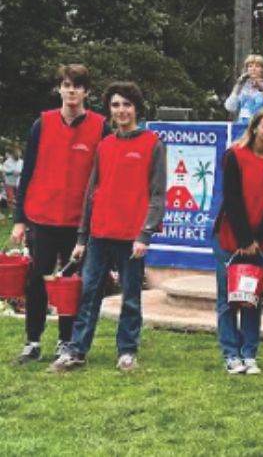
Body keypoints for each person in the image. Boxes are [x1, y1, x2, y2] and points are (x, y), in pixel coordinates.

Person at [50, 82, 165, 372]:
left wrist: (145, 234)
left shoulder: (153, 143)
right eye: (115, 105)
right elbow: (92, 193)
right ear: (110, 110)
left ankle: (127, 352)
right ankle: (76, 351)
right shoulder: (104, 145)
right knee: (88, 294)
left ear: (136, 107)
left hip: (131, 238)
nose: (121, 110)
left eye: (127, 104)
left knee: (130, 297)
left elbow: (157, 194)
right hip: (99, 234)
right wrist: (81, 237)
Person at [10, 64, 110, 364]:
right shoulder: (42, 124)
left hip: (79, 223)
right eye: (66, 85)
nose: (71, 91)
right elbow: (26, 174)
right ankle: (33, 341)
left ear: (86, 92)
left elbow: (105, 175)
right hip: (41, 217)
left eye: (77, 86)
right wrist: (19, 220)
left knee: (69, 284)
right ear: (60, 89)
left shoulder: (100, 127)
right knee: (37, 280)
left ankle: (66, 341)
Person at [211, 109, 263, 374]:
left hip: (262, 241)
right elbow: (232, 199)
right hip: (229, 239)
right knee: (228, 299)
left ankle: (249, 353)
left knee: (252, 297)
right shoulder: (234, 155)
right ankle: (231, 354)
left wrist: (256, 240)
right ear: (254, 128)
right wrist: (244, 239)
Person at [224, 54, 263, 124]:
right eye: (250, 66)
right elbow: (230, 107)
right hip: (243, 126)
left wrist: (258, 85)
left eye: (257, 66)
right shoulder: (243, 87)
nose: (253, 69)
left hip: (262, 126)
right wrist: (238, 86)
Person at [2, 148, 22, 217]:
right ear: (13, 155)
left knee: (18, 197)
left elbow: (23, 171)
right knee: (10, 197)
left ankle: (17, 212)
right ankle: (11, 213)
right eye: (16, 157)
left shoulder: (21, 162)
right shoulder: (8, 162)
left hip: (18, 182)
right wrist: (11, 172)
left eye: (18, 157)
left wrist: (19, 173)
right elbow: (4, 171)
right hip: (9, 182)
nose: (17, 158)